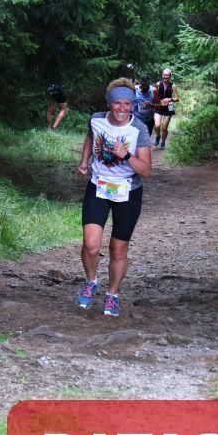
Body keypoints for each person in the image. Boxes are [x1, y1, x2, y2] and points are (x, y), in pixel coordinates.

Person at [76, 78, 152, 318]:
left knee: (118, 250)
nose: (122, 108)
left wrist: (126, 154)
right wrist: (84, 161)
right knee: (91, 244)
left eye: (127, 104)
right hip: (98, 187)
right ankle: (91, 282)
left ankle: (112, 294)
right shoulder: (96, 119)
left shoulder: (139, 129)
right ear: (109, 103)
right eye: (117, 103)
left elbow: (146, 170)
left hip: (128, 192)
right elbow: (90, 137)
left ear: (132, 105)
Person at [152, 68, 179, 148]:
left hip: (169, 107)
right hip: (159, 106)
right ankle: (158, 136)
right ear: (162, 75)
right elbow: (154, 95)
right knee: (157, 125)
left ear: (170, 76)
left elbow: (177, 98)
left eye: (167, 75)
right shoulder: (158, 84)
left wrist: (170, 99)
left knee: (164, 128)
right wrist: (156, 102)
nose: (165, 77)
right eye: (164, 75)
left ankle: (163, 142)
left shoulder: (173, 86)